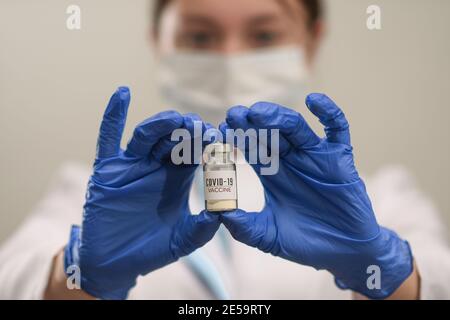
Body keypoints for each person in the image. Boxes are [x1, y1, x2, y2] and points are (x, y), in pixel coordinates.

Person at [1, 0, 449, 300]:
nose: (230, 60)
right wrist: (78, 276)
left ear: (312, 40)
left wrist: (386, 273)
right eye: (199, 38)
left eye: (264, 38)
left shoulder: (384, 199)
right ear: (159, 42)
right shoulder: (85, 195)